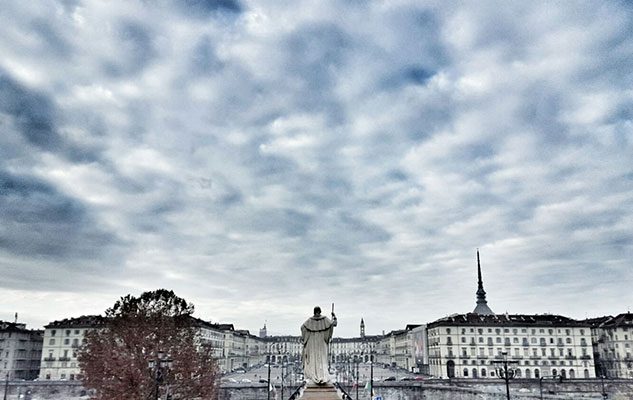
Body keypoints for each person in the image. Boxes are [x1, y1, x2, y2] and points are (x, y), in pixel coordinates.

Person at [301, 306, 337, 385]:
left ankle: (314, 375)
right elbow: (333, 324)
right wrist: (334, 317)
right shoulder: (325, 320)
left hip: (312, 342)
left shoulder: (309, 321)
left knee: (313, 359)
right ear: (320, 312)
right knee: (322, 358)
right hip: (321, 342)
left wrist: (306, 338)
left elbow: (303, 328)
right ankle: (322, 375)